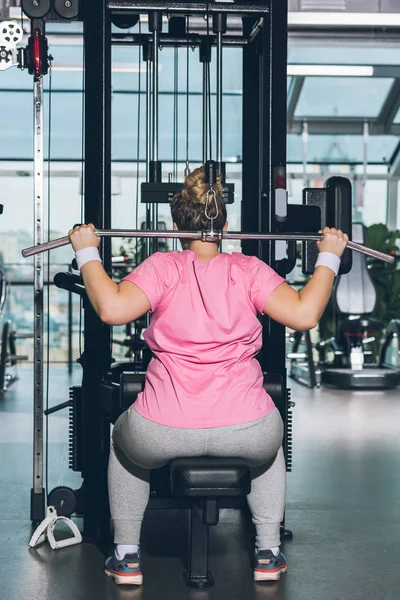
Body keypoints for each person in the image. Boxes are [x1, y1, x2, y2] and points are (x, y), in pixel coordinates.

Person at [69, 166, 348, 586]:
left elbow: (111, 309)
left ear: (177, 227)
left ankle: (126, 556)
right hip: (247, 429)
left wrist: (87, 251)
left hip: (162, 428)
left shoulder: (163, 267)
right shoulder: (249, 269)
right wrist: (329, 255)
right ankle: (268, 551)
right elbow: (305, 314)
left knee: (122, 443)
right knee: (270, 443)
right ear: (226, 226)